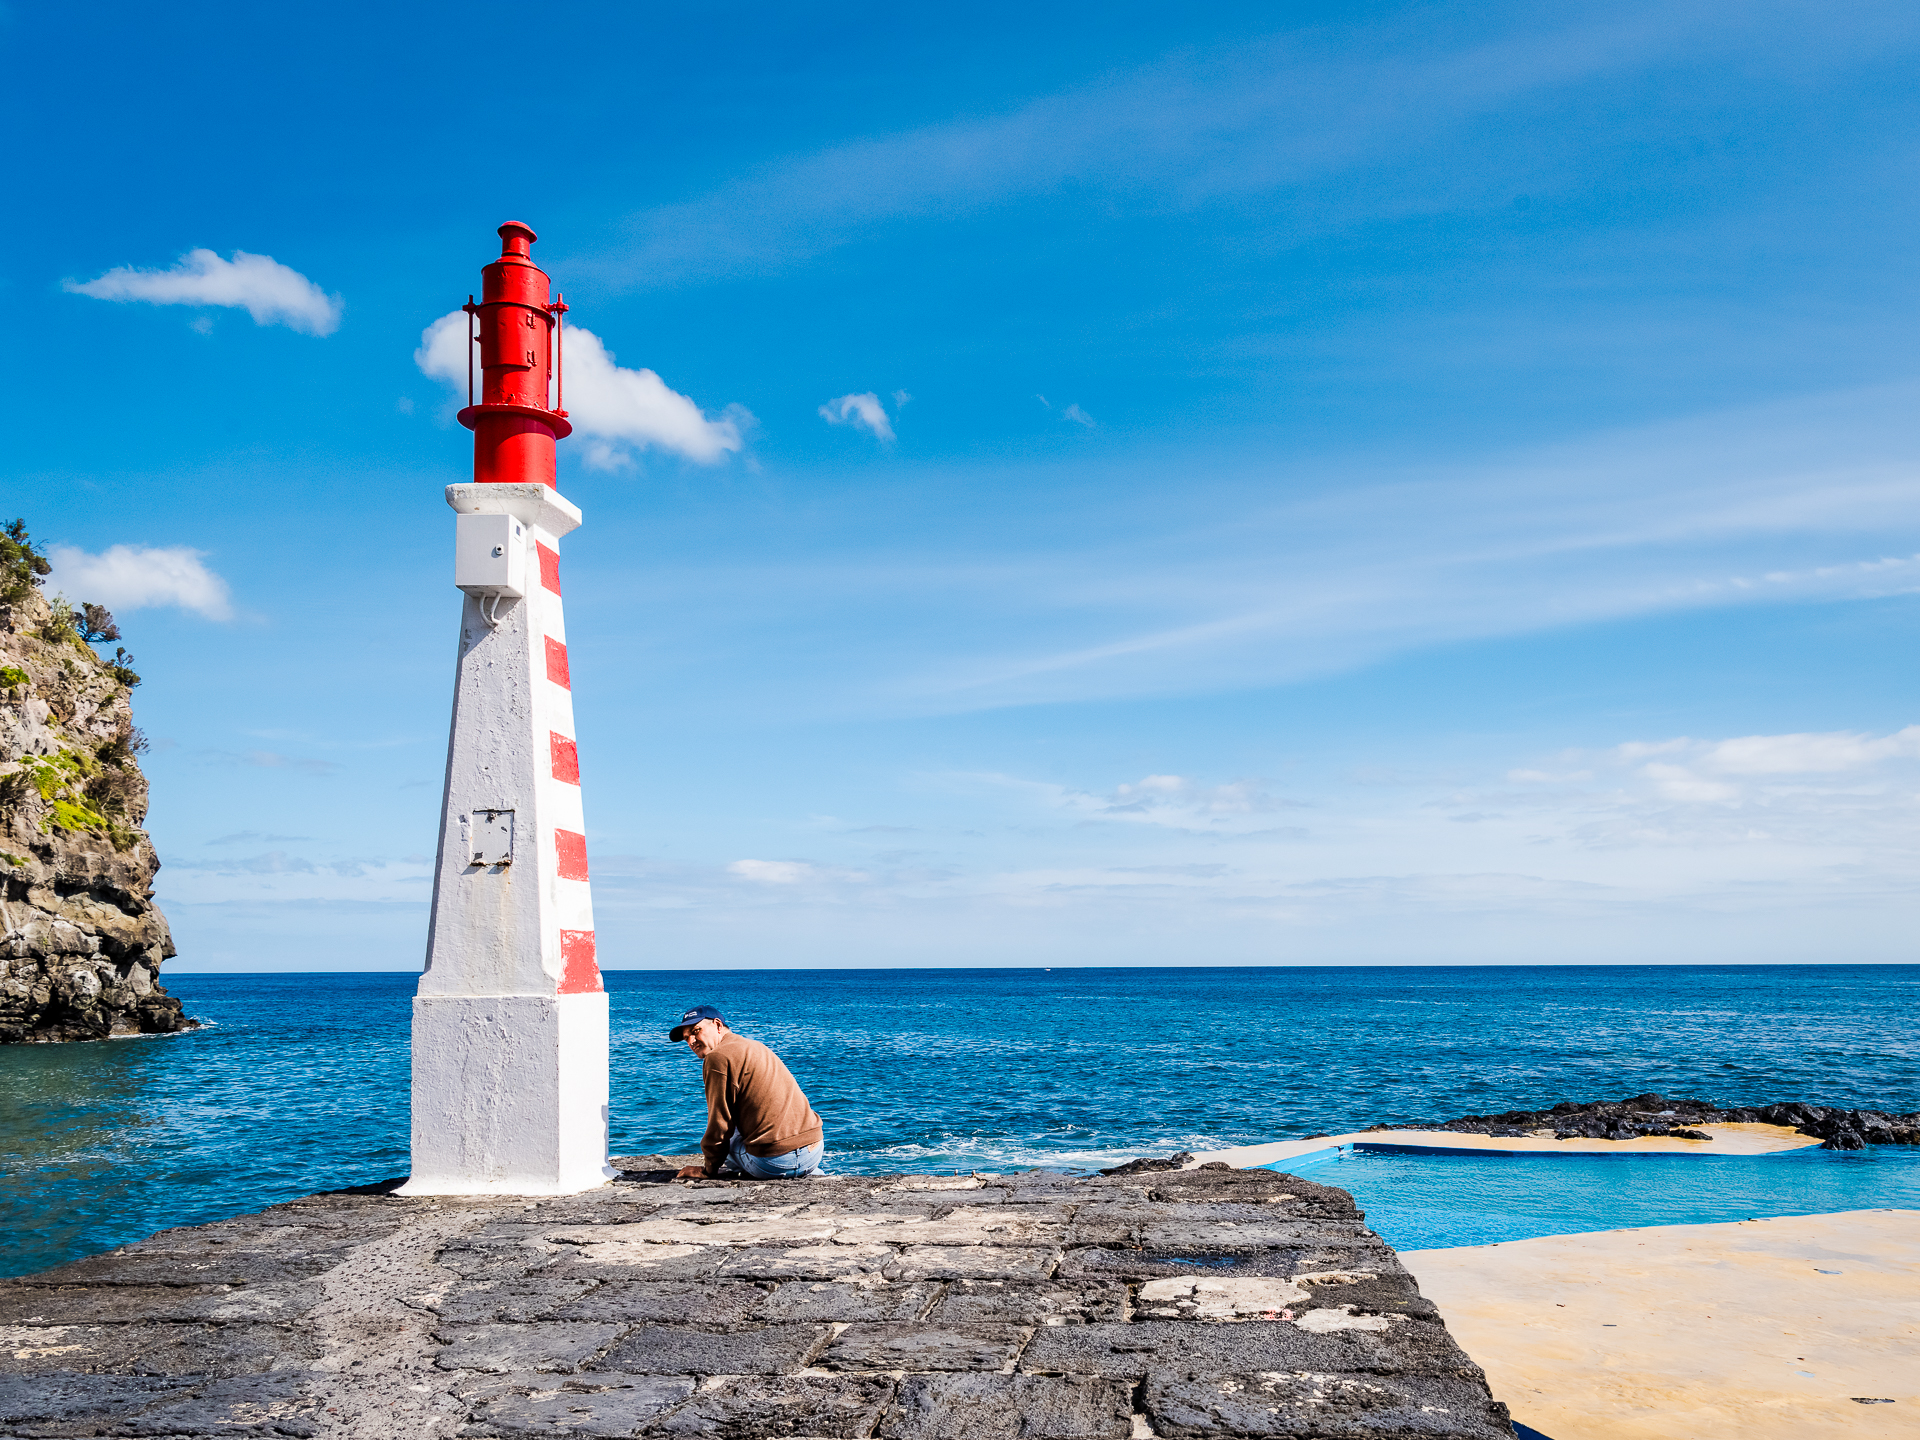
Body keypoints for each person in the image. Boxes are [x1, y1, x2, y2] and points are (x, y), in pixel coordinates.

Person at [669, 1005, 825, 1180]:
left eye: (695, 1031)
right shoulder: (755, 1046)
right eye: (686, 1038)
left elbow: (719, 1125)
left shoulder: (716, 1057)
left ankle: (776, 1170)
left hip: (773, 1162)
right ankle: (803, 1171)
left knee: (729, 1140)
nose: (691, 1041)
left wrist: (708, 1170)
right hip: (814, 1149)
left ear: (718, 1025)